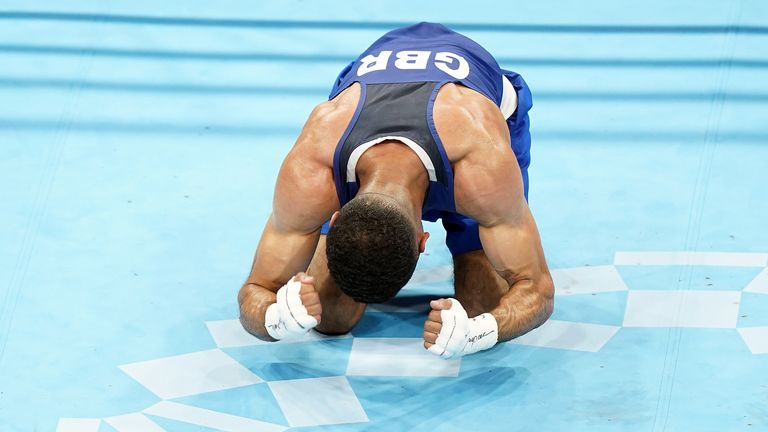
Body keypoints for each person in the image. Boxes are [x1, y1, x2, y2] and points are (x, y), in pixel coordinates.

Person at [238, 22, 554, 359]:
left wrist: (482, 331)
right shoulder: (315, 168)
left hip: (470, 117)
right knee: (329, 316)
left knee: (480, 306)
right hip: (370, 103)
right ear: (335, 213)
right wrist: (275, 319)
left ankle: (471, 252)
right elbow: (256, 289)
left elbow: (538, 289)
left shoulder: (480, 165)